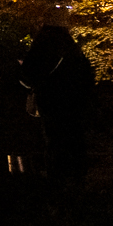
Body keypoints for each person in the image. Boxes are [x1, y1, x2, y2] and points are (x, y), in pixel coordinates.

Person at [19, 24, 94, 185]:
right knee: (75, 138)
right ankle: (78, 178)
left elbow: (26, 76)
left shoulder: (41, 51)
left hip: (51, 102)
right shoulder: (74, 53)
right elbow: (88, 79)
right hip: (76, 105)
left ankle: (57, 178)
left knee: (54, 140)